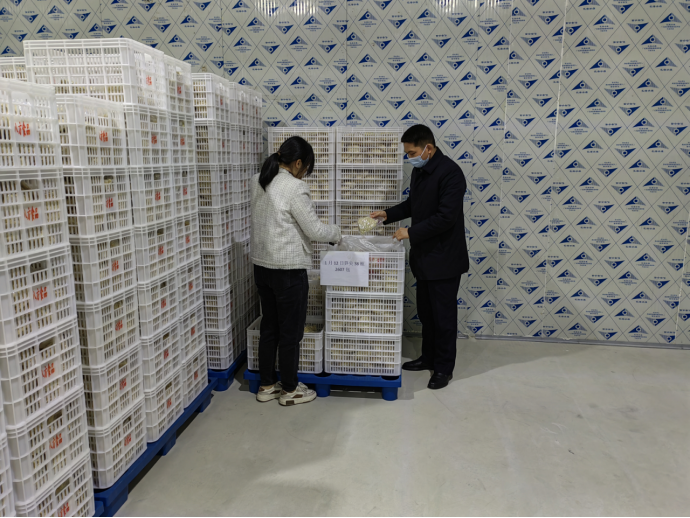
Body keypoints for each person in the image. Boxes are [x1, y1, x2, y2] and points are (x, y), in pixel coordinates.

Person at [371, 125, 468, 390]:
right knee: (426, 313)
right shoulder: (420, 171)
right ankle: (428, 357)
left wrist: (411, 232)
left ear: (429, 148)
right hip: (424, 257)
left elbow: (446, 217)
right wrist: (388, 214)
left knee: (443, 317)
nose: (409, 157)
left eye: (412, 152)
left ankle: (444, 368)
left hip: (444, 259)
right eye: (407, 153)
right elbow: (413, 205)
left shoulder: (451, 173)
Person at [251, 136, 341, 406]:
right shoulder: (295, 187)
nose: (305, 174)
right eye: (306, 168)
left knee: (270, 326)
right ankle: (290, 389)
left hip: (262, 266)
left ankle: (267, 385)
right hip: (288, 271)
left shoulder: (258, 180)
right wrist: (336, 233)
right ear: (298, 163)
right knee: (291, 332)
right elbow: (314, 230)